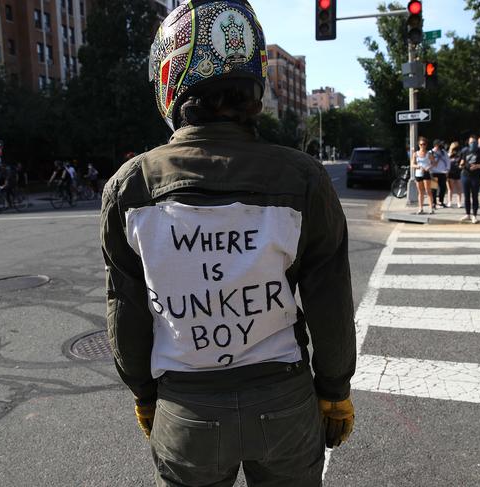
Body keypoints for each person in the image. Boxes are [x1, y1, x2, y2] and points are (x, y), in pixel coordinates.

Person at [100, 2, 356, 485]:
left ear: (170, 80)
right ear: (255, 85)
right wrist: (335, 389)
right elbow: (330, 300)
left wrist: (143, 394)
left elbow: (126, 309)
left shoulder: (130, 186)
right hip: (284, 402)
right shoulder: (301, 177)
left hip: (186, 408)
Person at [459, 135, 480, 224]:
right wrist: (462, 165)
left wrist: (477, 166)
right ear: (468, 143)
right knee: (466, 196)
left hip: (475, 177)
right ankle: (467, 214)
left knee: (475, 196)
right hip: (465, 176)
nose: (473, 143)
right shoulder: (465, 151)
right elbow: (461, 163)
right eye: (471, 142)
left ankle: (474, 216)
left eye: (474, 142)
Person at [411, 136, 436, 214]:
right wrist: (418, 166)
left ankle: (431, 208)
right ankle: (420, 208)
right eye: (421, 144)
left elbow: (434, 163)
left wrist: (428, 167)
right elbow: (412, 164)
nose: (422, 146)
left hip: (426, 173)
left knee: (428, 191)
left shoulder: (429, 153)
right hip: (418, 173)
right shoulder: (415, 154)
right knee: (420, 192)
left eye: (424, 144)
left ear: (426, 145)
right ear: (419, 145)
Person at [431, 139, 449, 208]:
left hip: (442, 172)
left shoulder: (443, 152)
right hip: (434, 172)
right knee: (434, 188)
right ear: (436, 145)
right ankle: (434, 202)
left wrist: (447, 169)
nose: (440, 146)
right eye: (439, 144)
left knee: (443, 188)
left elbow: (448, 161)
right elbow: (430, 162)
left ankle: (441, 201)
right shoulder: (431, 152)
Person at [446, 141, 462, 208]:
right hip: (450, 172)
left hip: (458, 172)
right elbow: (447, 160)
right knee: (450, 188)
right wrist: (450, 150)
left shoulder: (459, 153)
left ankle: (459, 202)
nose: (454, 149)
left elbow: (461, 160)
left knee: (459, 188)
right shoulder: (448, 154)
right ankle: (449, 202)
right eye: (453, 147)